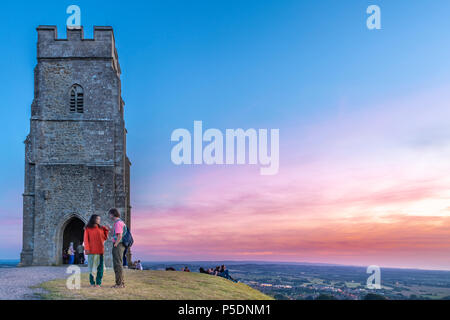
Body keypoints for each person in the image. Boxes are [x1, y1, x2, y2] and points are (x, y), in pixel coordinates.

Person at [83, 214, 109, 287]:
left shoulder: (101, 228)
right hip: (92, 251)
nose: (99, 220)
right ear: (93, 219)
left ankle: (98, 283)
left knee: (100, 268)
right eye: (98, 219)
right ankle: (92, 283)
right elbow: (86, 240)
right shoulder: (87, 228)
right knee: (92, 267)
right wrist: (87, 249)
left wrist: (106, 230)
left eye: (99, 219)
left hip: (100, 250)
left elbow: (104, 238)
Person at [108, 208, 127, 288]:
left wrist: (115, 244)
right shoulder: (117, 223)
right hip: (119, 244)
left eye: (109, 214)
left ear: (112, 214)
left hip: (118, 245)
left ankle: (119, 284)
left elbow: (119, 235)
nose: (109, 216)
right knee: (118, 263)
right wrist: (109, 228)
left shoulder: (118, 223)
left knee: (117, 264)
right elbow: (114, 233)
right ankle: (121, 283)